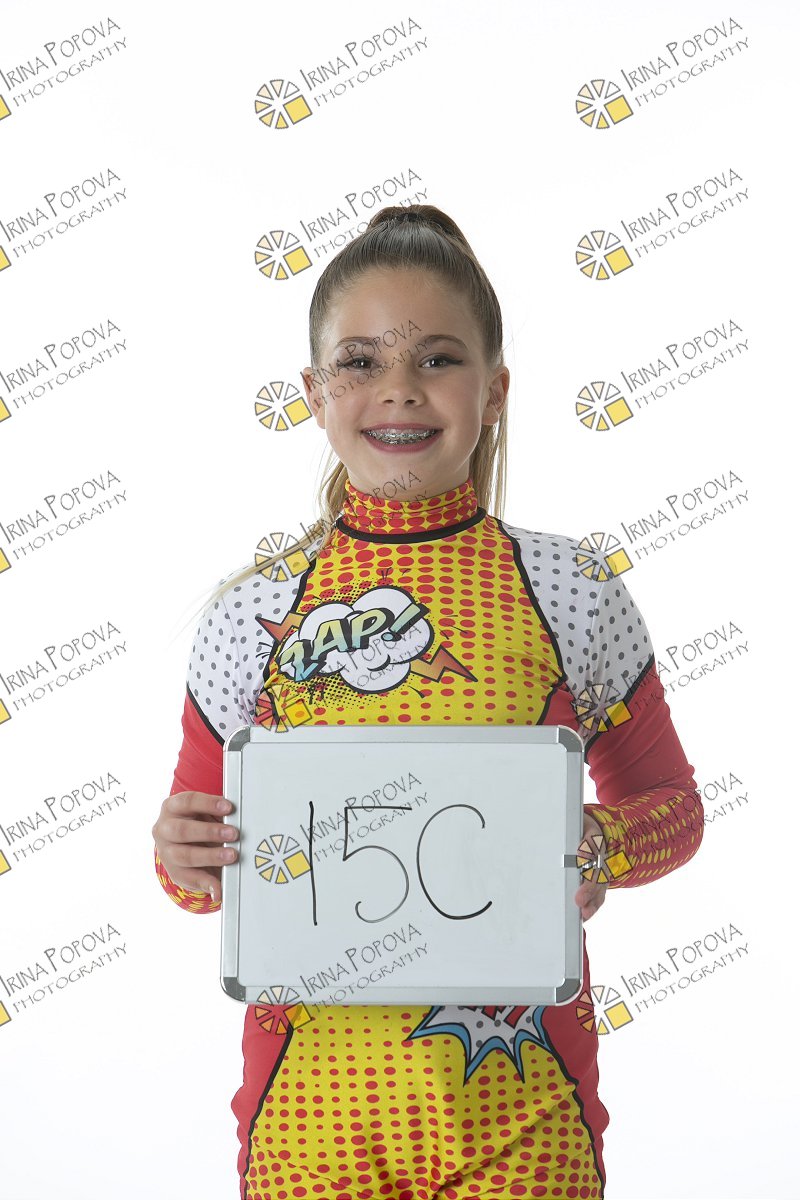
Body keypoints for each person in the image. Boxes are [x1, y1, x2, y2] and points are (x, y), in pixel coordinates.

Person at [152, 205, 703, 1200]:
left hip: (523, 1122)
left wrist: (596, 846)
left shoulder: (571, 590)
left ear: (494, 392)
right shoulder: (249, 613)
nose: (399, 388)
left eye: (438, 359)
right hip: (306, 1126)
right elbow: (196, 882)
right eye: (359, 362)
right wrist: (181, 853)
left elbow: (674, 810)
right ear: (314, 395)